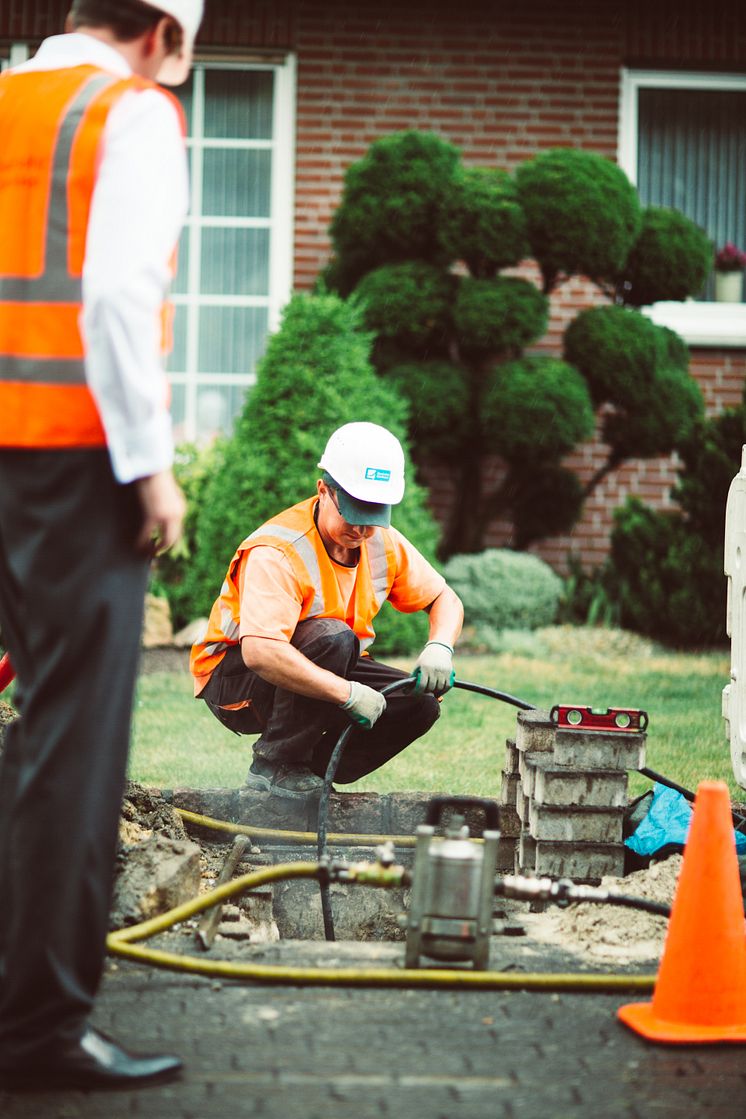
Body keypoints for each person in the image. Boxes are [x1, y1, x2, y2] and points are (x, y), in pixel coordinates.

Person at [0, 0, 202, 1091]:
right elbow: (119, 296)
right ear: (162, 33)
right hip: (75, 466)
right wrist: (150, 467)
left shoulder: (9, 98)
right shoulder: (128, 114)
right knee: (73, 750)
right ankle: (38, 1033)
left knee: (30, 734)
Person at [191, 422, 464, 798]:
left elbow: (444, 599)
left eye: (373, 515)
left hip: (328, 657)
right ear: (324, 490)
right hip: (235, 679)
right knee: (333, 637)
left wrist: (440, 647)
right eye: (353, 511)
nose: (362, 529)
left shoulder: (381, 542)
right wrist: (346, 693)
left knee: (418, 705)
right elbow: (261, 652)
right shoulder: (278, 551)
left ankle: (310, 778)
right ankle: (276, 766)